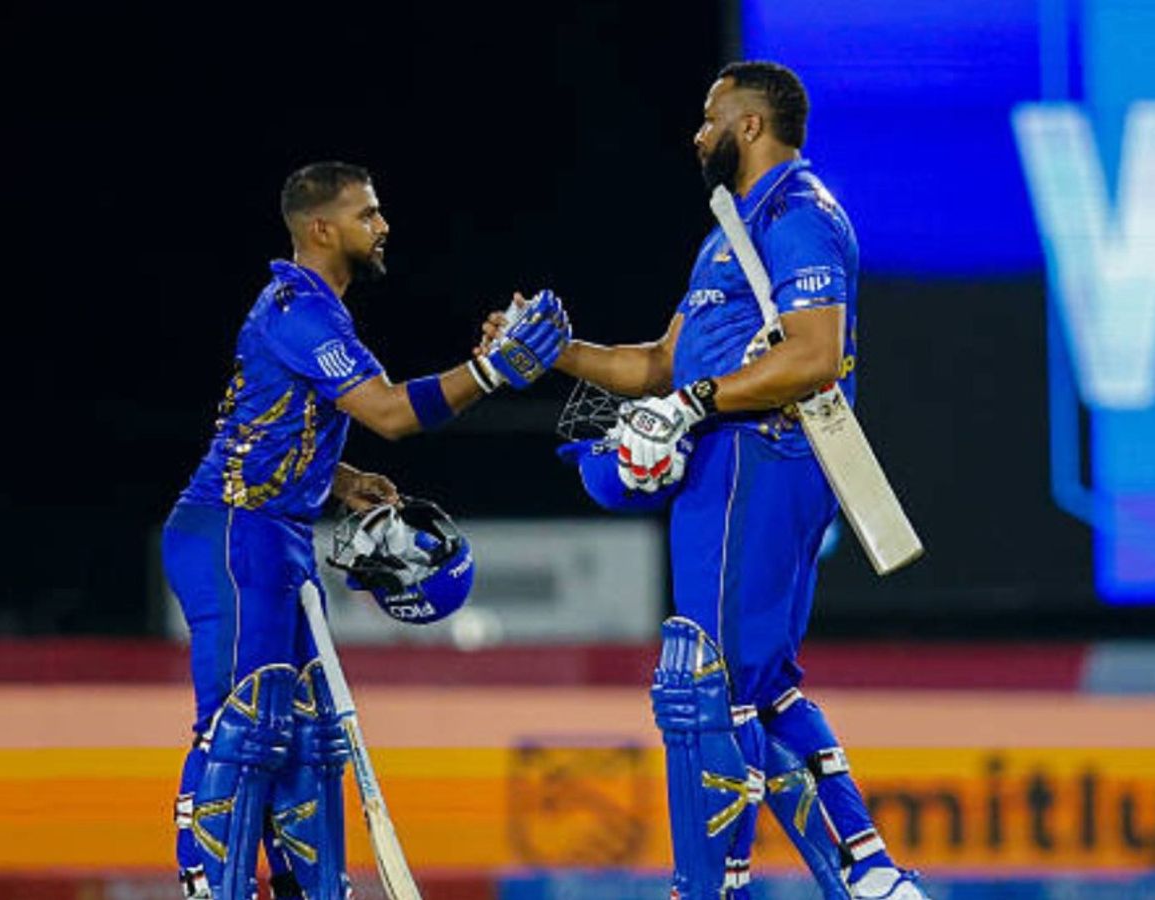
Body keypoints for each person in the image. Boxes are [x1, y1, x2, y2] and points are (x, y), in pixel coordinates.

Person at [487, 62, 924, 900]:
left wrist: (689, 405)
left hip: (760, 457)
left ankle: (712, 887)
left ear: (750, 127)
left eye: (708, 118)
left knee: (702, 681)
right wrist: (550, 354)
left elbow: (814, 356)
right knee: (757, 683)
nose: (697, 134)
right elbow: (659, 362)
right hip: (724, 459)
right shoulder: (729, 231)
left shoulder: (799, 217)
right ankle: (867, 871)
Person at [162, 161, 570, 900]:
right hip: (231, 531)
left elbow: (269, 416)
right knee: (244, 729)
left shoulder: (319, 309)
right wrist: (491, 372)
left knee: (310, 740)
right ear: (322, 228)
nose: (383, 227)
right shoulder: (298, 310)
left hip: (276, 533)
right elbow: (388, 411)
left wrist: (341, 481)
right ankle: (209, 888)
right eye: (368, 214)